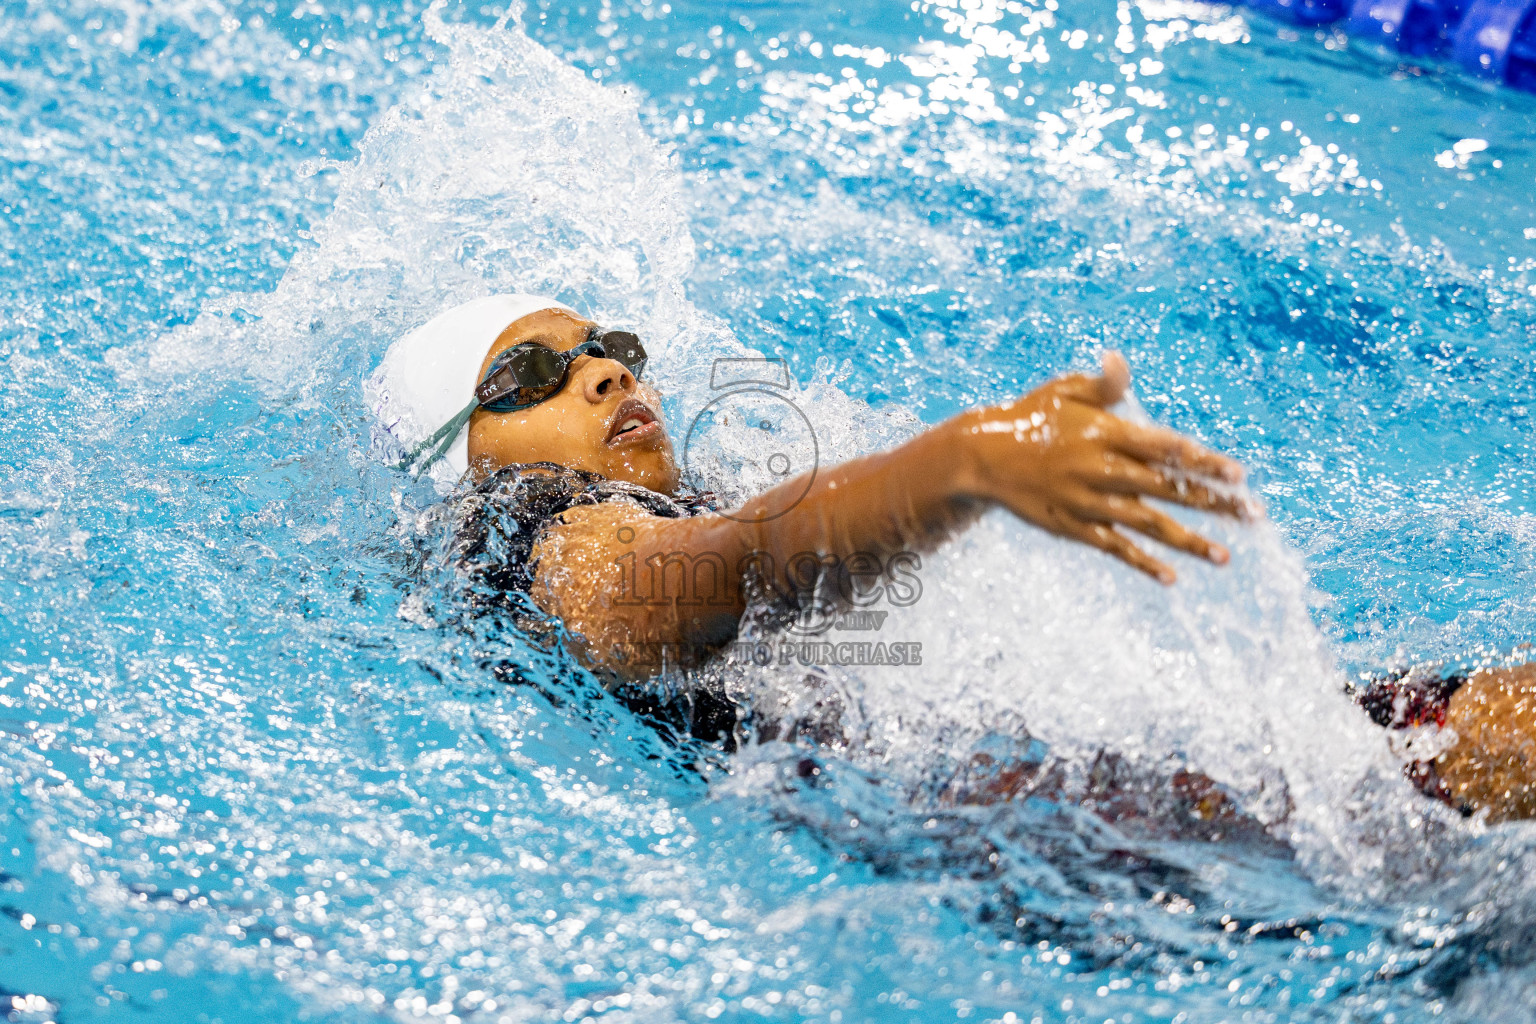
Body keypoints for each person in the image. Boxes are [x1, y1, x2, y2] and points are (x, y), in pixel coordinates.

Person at [372, 294, 1536, 824]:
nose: (606, 373)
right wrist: (963, 462)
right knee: (1392, 763)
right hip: (989, 815)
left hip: (997, 780)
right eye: (530, 375)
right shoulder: (519, 524)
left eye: (607, 345)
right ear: (463, 456)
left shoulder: (685, 486)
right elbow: (661, 594)